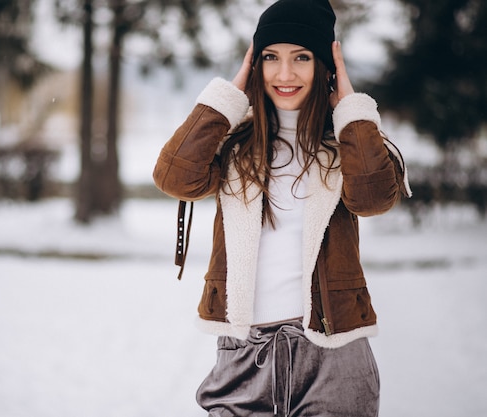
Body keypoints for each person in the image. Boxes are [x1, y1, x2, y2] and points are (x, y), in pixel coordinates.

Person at [153, 0, 411, 415]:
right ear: (255, 63)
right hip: (243, 353)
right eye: (271, 57)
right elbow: (174, 178)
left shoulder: (347, 144)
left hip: (332, 355)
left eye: (302, 58)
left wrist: (350, 106)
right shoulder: (235, 145)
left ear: (325, 64)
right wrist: (229, 93)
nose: (284, 74)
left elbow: (372, 199)